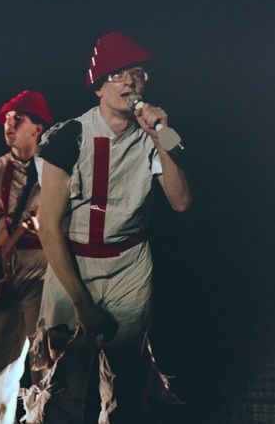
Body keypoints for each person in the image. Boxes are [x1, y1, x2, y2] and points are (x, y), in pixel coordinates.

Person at [23, 32, 192, 423]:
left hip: (129, 264)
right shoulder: (69, 136)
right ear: (98, 87)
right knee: (61, 380)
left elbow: (182, 201)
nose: (131, 81)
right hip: (75, 261)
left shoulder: (155, 136)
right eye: (119, 73)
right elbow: (49, 227)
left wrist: (160, 136)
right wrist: (81, 302)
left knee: (126, 383)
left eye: (139, 73)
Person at [0, 90, 53, 423]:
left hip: (44, 275)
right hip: (3, 278)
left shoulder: (57, 169)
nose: (9, 123)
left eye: (18, 118)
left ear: (38, 128)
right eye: (7, 118)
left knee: (46, 370)